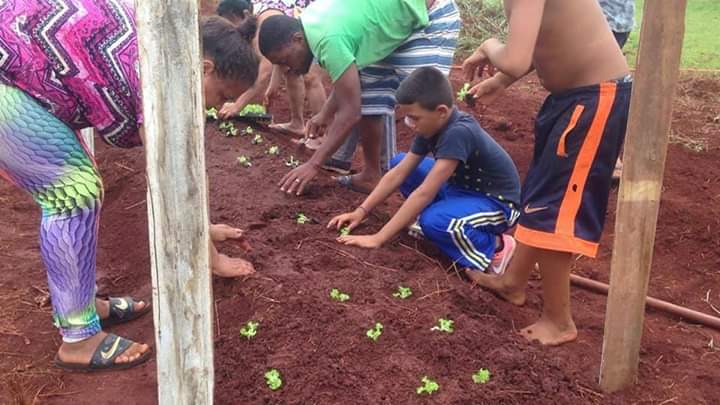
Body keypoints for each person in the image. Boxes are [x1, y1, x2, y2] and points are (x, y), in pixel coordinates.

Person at [0, 1, 258, 371]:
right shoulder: (159, 77)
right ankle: (78, 340)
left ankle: (83, 304)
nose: (218, 108)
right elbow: (171, 182)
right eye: (222, 96)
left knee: (80, 186)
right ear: (205, 69)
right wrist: (211, 259)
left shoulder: (162, 46)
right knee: (73, 194)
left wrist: (205, 228)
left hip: (17, 69)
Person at [461, 0, 631, 345]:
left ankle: (558, 320)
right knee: (541, 195)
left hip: (593, 100)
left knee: (555, 208)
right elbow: (545, 41)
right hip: (574, 99)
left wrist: (487, 46)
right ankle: (513, 282)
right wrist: (499, 81)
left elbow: (515, 57)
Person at [328, 67, 521, 276]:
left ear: (441, 112)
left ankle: (495, 250)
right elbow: (400, 172)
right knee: (399, 162)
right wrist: (361, 211)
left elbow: (425, 192)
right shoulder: (431, 125)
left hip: (496, 203)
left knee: (436, 222)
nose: (410, 124)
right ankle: (446, 213)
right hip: (461, 188)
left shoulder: (459, 132)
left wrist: (378, 238)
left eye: (414, 117)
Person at [258, 0, 461, 196]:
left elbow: (350, 112)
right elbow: (349, 86)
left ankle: (458, 180)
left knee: (429, 102)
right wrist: (324, 114)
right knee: (368, 97)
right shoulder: (311, 22)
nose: (287, 69)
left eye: (285, 60)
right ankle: (372, 176)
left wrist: (313, 164)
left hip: (429, 15)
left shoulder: (328, 40)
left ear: (297, 39)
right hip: (390, 25)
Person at [216, 0, 327, 148]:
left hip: (316, 28)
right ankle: (297, 123)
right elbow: (277, 59)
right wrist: (273, 86)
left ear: (245, 14)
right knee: (291, 72)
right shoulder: (256, 16)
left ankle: (323, 137)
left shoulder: (262, 25)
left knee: (310, 78)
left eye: (233, 24)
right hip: (296, 32)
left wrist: (237, 105)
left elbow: (264, 73)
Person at [598, 0, 635, 181]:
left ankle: (610, 155)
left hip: (607, 18)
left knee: (604, 85)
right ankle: (609, 155)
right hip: (614, 18)